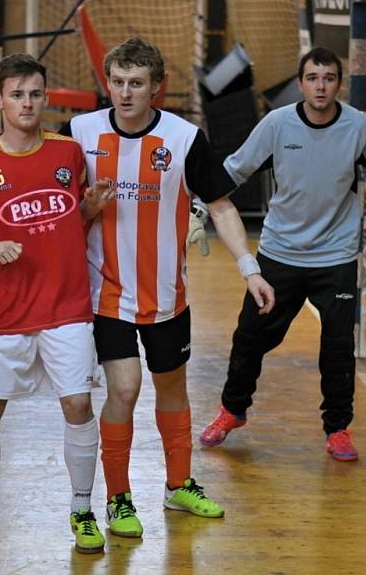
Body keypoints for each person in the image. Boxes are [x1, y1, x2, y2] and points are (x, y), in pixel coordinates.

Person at [60, 38, 274, 538]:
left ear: (158, 88)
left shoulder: (183, 138)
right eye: (117, 82)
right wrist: (87, 208)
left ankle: (179, 486)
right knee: (126, 388)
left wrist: (250, 268)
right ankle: (117, 498)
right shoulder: (79, 133)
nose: (125, 93)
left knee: (172, 388)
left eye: (136, 84)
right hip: (104, 294)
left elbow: (220, 206)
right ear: (107, 82)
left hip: (166, 295)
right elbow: (61, 213)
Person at [199, 47, 366, 462]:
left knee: (338, 348)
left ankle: (338, 428)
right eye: (312, 77)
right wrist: (201, 206)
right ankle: (232, 411)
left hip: (336, 257)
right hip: (280, 254)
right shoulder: (277, 124)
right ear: (301, 84)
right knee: (250, 338)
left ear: (338, 84)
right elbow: (235, 168)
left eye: (329, 77)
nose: (320, 85)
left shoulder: (359, 126)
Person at [0, 53, 112, 554]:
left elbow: (73, 221)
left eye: (35, 93)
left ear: (46, 97)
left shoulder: (69, 154)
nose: (27, 103)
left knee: (79, 405)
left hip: (67, 306)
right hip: (3, 314)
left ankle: (82, 510)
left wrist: (90, 208)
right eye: (16, 94)